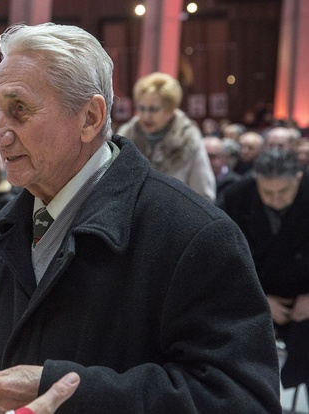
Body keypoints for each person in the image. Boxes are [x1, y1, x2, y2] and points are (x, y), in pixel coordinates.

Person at [0, 23, 280, 413]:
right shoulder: (2, 230)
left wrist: (66, 392)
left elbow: (240, 399)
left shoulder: (193, 234)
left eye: (19, 110)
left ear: (90, 118)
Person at [219, 148, 309, 391]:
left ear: (299, 178)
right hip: (254, 290)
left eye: (284, 191)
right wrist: (259, 300)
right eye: (268, 192)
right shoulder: (237, 196)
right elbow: (223, 257)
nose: (276, 199)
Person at [117, 72, 216, 201]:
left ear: (171, 110)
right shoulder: (125, 137)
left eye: (153, 109)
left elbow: (204, 195)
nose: (146, 116)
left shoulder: (188, 139)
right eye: (141, 108)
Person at [203, 135, 242, 207]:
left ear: (225, 157)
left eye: (212, 156)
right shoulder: (195, 180)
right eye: (203, 157)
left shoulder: (237, 183)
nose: (205, 161)